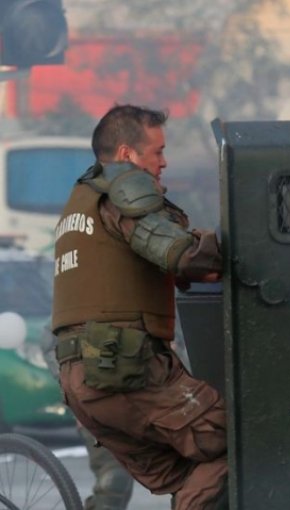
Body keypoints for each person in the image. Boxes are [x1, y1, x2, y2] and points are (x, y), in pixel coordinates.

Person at [51, 105, 227, 510]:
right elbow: (177, 253)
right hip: (127, 372)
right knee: (238, 440)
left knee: (193, 473)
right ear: (128, 154)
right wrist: (238, 247)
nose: (164, 162)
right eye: (158, 151)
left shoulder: (81, 201)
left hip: (83, 380)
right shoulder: (124, 188)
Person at [41, 325, 135, 510]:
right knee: (114, 479)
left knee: (195, 479)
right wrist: (78, 394)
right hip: (101, 399)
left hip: (165, 400)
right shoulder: (80, 303)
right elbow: (53, 341)